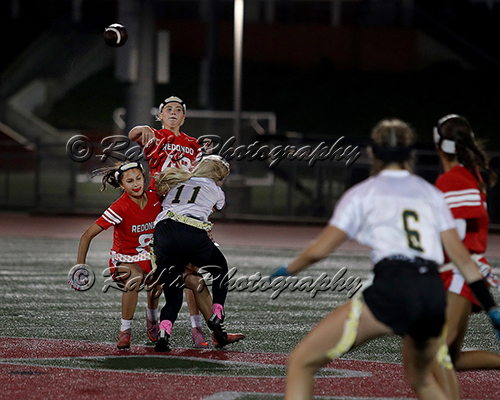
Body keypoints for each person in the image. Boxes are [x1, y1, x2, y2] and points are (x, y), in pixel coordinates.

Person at [269, 119, 500, 400]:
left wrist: (287, 269)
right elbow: (463, 259)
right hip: (432, 293)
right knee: (423, 379)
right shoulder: (430, 193)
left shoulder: (363, 193)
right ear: (410, 153)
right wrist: (491, 309)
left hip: (394, 288)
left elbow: (319, 250)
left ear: (372, 153)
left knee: (301, 362)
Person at [128, 96, 209, 348]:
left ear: (184, 117)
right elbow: (133, 134)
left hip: (184, 207)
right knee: (157, 270)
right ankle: (152, 316)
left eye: (178, 110)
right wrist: (142, 128)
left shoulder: (193, 144)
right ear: (160, 115)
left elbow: (199, 178)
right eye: (168, 109)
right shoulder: (154, 135)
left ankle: (197, 327)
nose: (173, 112)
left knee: (192, 268)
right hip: (158, 206)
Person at [151, 155, 245, 351]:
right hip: (191, 230)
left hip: (163, 231)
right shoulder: (216, 190)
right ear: (218, 177)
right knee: (220, 269)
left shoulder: (178, 181)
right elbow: (217, 207)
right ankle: (217, 314)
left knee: (173, 294)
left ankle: (164, 334)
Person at [433, 114, 500, 370]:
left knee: (436, 354)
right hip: (461, 270)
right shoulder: (466, 176)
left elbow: (459, 234)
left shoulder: (454, 179)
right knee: (452, 358)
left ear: (439, 145)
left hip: (460, 271)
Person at [75, 161, 162, 350]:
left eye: (138, 178)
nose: (136, 184)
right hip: (125, 259)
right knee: (134, 278)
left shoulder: (156, 197)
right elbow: (87, 235)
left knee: (159, 276)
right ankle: (125, 330)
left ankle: (152, 318)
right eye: (129, 181)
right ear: (121, 185)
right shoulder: (119, 207)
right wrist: (80, 267)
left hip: (150, 256)